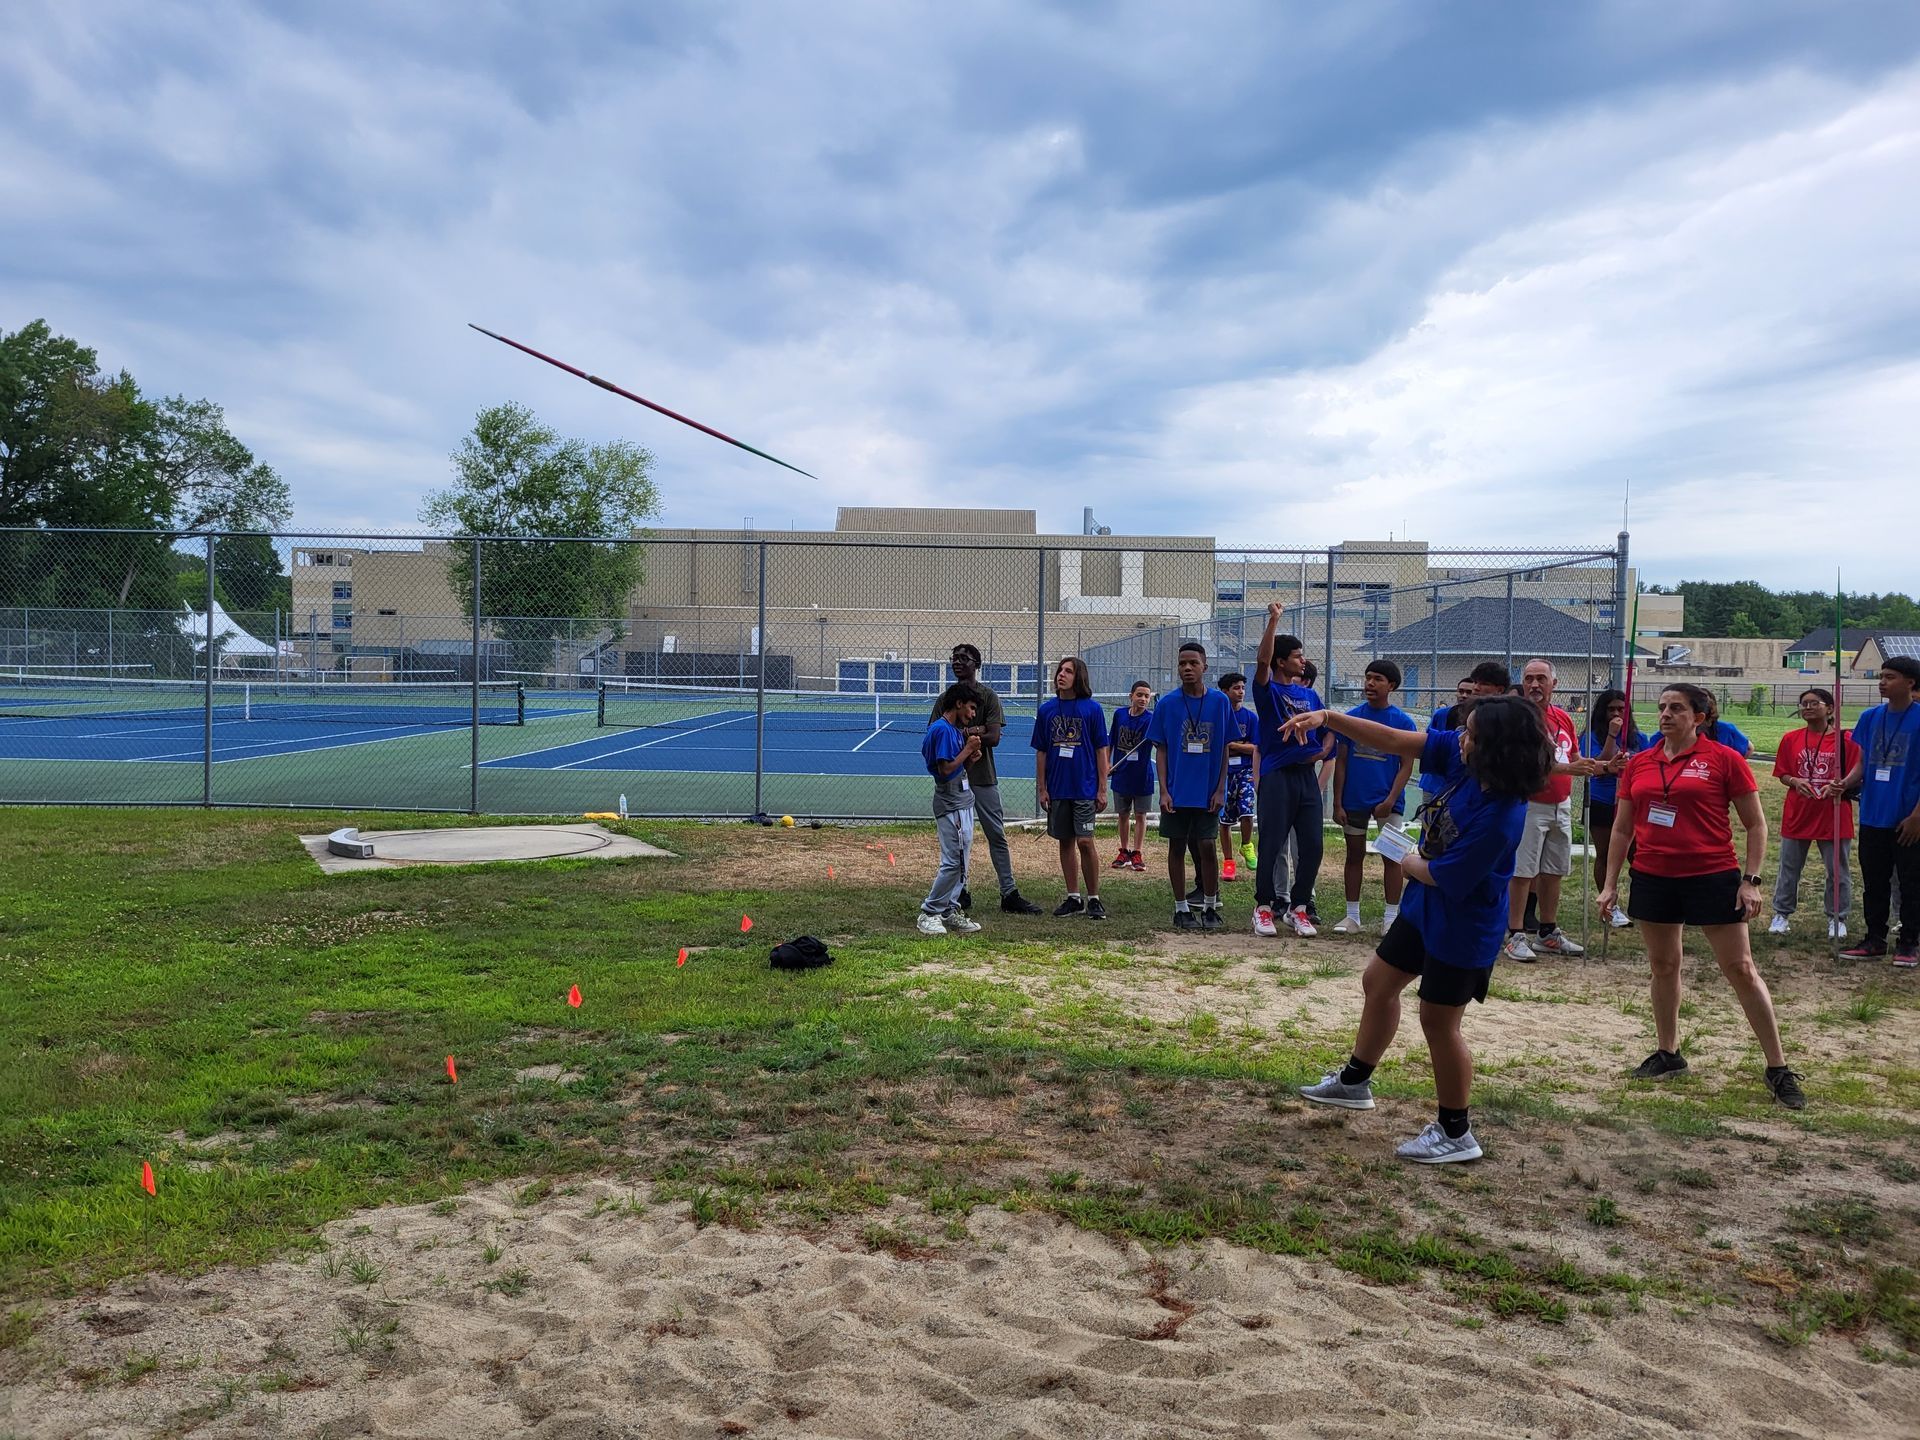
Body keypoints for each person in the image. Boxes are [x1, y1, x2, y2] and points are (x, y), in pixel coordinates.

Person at [1295, 695, 1552, 1162]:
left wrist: (1407, 859)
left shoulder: (1501, 815)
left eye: (1470, 733)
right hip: (1424, 909)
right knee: (1378, 981)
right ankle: (1355, 1082)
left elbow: (1443, 874)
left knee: (1438, 1021)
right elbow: (1394, 739)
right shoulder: (1467, 765)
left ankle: (1457, 1132)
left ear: (1494, 747)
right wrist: (1329, 718)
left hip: (1463, 924)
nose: (1460, 738)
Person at [1597, 683, 1806, 1108]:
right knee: (1663, 964)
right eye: (1661, 707)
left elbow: (1756, 825)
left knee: (1741, 968)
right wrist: (1610, 883)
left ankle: (1778, 1067)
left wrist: (1751, 880)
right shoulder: (1639, 763)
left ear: (1700, 716)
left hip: (1712, 875)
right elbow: (1622, 828)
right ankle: (1669, 1053)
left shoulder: (1724, 759)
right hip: (1654, 875)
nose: (1666, 714)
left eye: (1677, 708)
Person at [936, 644, 1044, 915]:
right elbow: (936, 733)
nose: (957, 662)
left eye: (964, 658)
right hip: (952, 780)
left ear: (976, 664)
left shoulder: (989, 697)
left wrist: (965, 732)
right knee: (958, 841)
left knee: (996, 834)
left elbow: (994, 737)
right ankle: (959, 893)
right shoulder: (945, 698)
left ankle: (1009, 893)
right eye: (954, 658)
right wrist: (976, 731)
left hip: (983, 778)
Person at [1836, 655, 1920, 967]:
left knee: (1911, 882)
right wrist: (1844, 783)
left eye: (1890, 676)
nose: (1882, 682)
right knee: (1874, 881)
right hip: (1873, 814)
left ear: (1910, 683)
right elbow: (1863, 762)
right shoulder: (1870, 717)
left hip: (1909, 818)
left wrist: (1917, 816)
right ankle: (1874, 939)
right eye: (1881, 676)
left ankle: (1909, 942)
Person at [1504, 660, 1586, 962]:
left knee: (1554, 870)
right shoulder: (1518, 718)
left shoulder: (1564, 718)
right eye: (1529, 679)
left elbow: (1575, 759)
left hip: (1560, 803)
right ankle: (1515, 933)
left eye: (1541, 679)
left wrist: (1603, 767)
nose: (1535, 685)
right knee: (1523, 870)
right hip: (1529, 803)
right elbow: (1524, 763)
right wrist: (1568, 767)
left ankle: (1548, 931)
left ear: (1554, 683)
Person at [1151, 641, 1235, 930]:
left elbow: (1224, 746)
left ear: (1205, 667)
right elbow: (1160, 749)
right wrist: (1164, 790)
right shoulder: (1167, 704)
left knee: (1208, 846)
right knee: (1176, 846)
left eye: (1193, 663)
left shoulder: (1220, 702)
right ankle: (1181, 908)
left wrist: (1220, 788)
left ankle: (1211, 906)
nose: (1187, 668)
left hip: (1208, 792)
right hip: (1177, 791)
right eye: (1182, 663)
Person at [1251, 603, 1324, 937]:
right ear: (1282, 661)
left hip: (1305, 777)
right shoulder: (1270, 691)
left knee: (1313, 845)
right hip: (1277, 775)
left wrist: (1316, 753)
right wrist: (1273, 621)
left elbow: (1327, 734)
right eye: (1296, 655)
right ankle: (1264, 907)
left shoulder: (1310, 696)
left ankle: (1298, 909)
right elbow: (1262, 661)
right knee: (1271, 843)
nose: (1302, 660)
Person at [1332, 660, 1418, 934]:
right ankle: (1352, 917)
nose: (1370, 683)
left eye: (1377, 679)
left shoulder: (1403, 721)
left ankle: (1391, 918)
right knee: (1353, 854)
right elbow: (1341, 762)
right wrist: (1337, 801)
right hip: (1354, 799)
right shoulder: (1352, 717)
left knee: (1392, 857)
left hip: (1387, 801)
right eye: (1368, 678)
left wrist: (1391, 799)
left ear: (1391, 686)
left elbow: (1406, 764)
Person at [1770, 687, 1860, 940]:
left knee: (1837, 870)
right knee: (1789, 867)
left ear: (1830, 709)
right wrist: (1795, 781)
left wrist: (1841, 785)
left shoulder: (1846, 740)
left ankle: (1837, 918)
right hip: (1799, 812)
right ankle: (1781, 913)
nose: (1808, 707)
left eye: (1814, 703)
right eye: (1804, 704)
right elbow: (1783, 773)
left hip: (1833, 813)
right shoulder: (1791, 739)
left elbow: (1857, 772)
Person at [1031, 655, 1110, 919]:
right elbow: (1041, 751)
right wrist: (1042, 788)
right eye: (1059, 671)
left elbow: (1101, 750)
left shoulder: (1092, 709)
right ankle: (1073, 897)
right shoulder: (1046, 711)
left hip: (1085, 788)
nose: (1061, 675)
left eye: (1068, 671)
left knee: (1085, 842)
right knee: (1065, 842)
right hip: (1058, 788)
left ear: (1079, 677)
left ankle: (1094, 898)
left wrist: (1102, 788)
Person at [917, 683, 985, 936]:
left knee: (962, 862)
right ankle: (930, 911)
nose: (972, 714)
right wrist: (967, 749)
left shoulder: (955, 731)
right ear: (958, 704)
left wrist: (968, 758)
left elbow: (955, 767)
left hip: (963, 801)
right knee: (953, 861)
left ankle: (949, 908)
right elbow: (944, 772)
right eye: (970, 708)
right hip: (950, 804)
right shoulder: (942, 730)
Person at [1580, 689, 1639, 930]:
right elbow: (1596, 764)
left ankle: (1641, 904)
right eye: (1610, 709)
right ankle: (1609, 905)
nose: (1616, 713)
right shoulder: (1591, 735)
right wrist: (1612, 736)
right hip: (1601, 799)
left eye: (1620, 709)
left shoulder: (1638, 737)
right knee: (1605, 853)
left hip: (1631, 801)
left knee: (1637, 853)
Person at [1108, 680, 1156, 873]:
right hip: (1121, 774)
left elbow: (1159, 741)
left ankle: (1137, 852)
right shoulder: (1120, 715)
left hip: (1142, 776)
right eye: (1140, 695)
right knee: (1123, 814)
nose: (1143, 699)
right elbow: (1110, 741)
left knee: (1140, 815)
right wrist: (1107, 765)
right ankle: (1124, 851)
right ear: (1131, 696)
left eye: (1147, 696)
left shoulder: (1151, 720)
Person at [1216, 672, 1260, 880]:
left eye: (1242, 687)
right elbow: (1217, 747)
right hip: (1224, 773)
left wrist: (1233, 746)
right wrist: (1238, 746)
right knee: (1224, 820)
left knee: (1247, 810)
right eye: (1236, 688)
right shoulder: (1219, 716)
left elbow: (1256, 748)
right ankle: (1228, 862)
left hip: (1245, 771)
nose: (1240, 692)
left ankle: (1246, 845)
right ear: (1224, 692)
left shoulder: (1250, 718)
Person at [1417, 677, 1478, 804]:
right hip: (1433, 783)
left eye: (1468, 692)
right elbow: (1430, 741)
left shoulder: (1477, 720)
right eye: (1461, 691)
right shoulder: (1441, 714)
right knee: (1428, 819)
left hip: (1458, 783)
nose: (1464, 695)